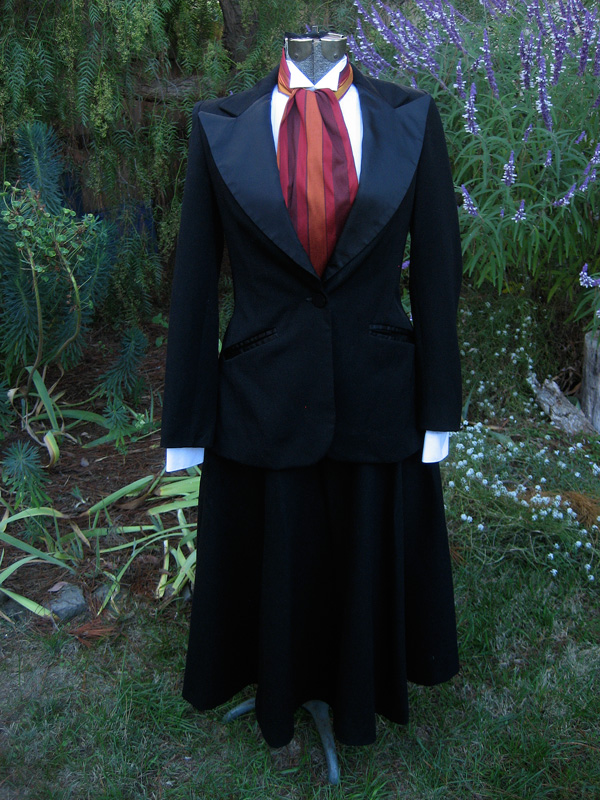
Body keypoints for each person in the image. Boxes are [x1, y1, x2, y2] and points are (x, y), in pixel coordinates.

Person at [161, 28, 462, 751]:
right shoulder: (220, 125)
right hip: (262, 395)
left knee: (363, 550)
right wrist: (186, 427)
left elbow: (438, 270)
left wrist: (439, 408)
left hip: (378, 388)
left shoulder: (411, 117)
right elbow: (195, 279)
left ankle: (357, 689)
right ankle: (280, 686)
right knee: (278, 552)